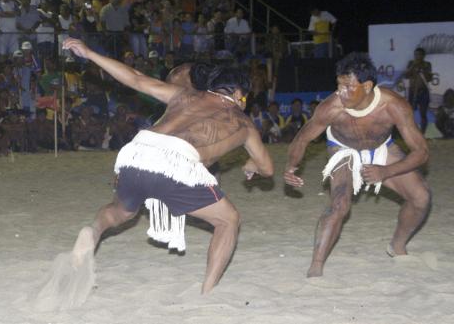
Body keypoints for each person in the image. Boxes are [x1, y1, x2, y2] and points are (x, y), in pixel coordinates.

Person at [61, 37, 274, 294]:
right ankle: (207, 290)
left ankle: (93, 230)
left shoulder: (184, 95)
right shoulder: (244, 124)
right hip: (176, 161)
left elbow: (135, 79)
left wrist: (89, 53)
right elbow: (268, 169)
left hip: (136, 151)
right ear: (239, 94)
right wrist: (252, 165)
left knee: (123, 212)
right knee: (229, 220)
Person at [283, 52, 431, 278]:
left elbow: (422, 152)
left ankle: (397, 246)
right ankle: (316, 266)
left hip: (382, 149)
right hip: (343, 149)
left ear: (368, 85)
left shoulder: (394, 105)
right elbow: (303, 138)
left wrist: (386, 171)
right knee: (339, 205)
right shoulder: (330, 107)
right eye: (339, 85)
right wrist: (291, 166)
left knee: (421, 197)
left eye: (348, 87)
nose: (341, 92)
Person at [400, 47, 433, 133]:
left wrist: (423, 69)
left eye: (419, 55)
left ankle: (422, 133)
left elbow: (429, 78)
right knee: (409, 113)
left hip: (423, 92)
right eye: (416, 55)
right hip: (412, 91)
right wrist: (413, 66)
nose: (417, 56)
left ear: (423, 55)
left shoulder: (427, 64)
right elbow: (406, 75)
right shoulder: (411, 63)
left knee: (423, 114)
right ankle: (410, 133)